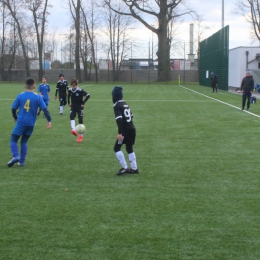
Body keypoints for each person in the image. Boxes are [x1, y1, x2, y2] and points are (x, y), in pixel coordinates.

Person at [7, 77, 52, 167]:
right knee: (24, 141)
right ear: (34, 86)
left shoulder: (21, 95)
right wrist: (49, 120)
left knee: (13, 139)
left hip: (21, 122)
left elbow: (13, 108)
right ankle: (22, 162)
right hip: (31, 123)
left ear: (25, 86)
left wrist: (15, 117)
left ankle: (16, 156)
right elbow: (45, 109)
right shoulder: (38, 97)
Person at [112, 86, 138, 175]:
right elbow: (132, 115)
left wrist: (120, 133)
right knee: (129, 147)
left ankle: (124, 167)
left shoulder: (116, 105)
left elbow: (119, 119)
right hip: (132, 128)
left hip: (125, 131)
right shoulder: (125, 103)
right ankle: (134, 168)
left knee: (116, 148)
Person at [68, 78, 90, 143]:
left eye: (75, 85)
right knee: (71, 116)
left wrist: (83, 103)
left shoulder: (80, 90)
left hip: (80, 107)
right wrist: (69, 102)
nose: (74, 87)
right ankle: (74, 130)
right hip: (73, 106)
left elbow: (88, 95)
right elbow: (68, 96)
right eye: (73, 85)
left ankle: (81, 136)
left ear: (77, 85)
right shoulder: (70, 90)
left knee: (80, 119)